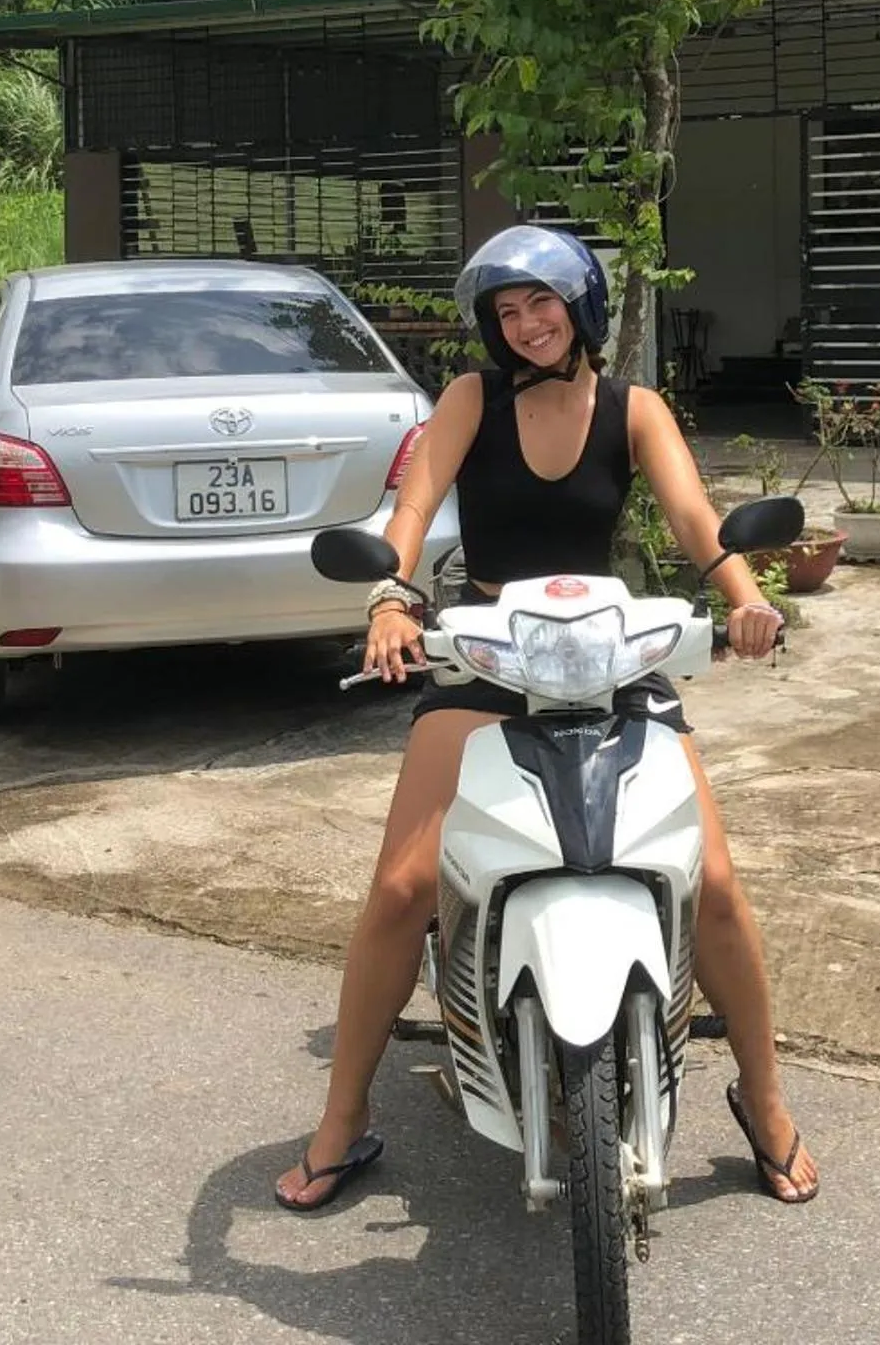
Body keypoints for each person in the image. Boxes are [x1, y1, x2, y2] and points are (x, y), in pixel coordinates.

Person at [273, 225, 816, 1211]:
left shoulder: (633, 408)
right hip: (487, 653)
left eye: (541, 306)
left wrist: (745, 595)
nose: (524, 327)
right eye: (506, 313)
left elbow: (699, 521)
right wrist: (392, 599)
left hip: (608, 655)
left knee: (718, 885)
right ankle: (343, 1120)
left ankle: (765, 1097)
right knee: (403, 888)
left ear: (583, 310)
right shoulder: (470, 401)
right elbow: (413, 507)